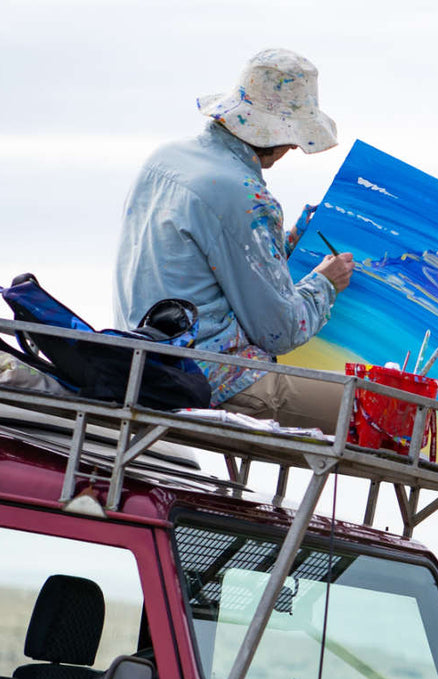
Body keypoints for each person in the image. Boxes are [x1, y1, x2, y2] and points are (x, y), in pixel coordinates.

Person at [114, 48, 355, 433]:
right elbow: (281, 331)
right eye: (293, 137)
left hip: (145, 359)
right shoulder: (243, 195)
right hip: (211, 377)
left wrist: (286, 243)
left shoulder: (167, 158)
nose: (294, 148)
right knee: (386, 411)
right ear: (279, 133)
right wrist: (325, 285)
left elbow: (210, 266)